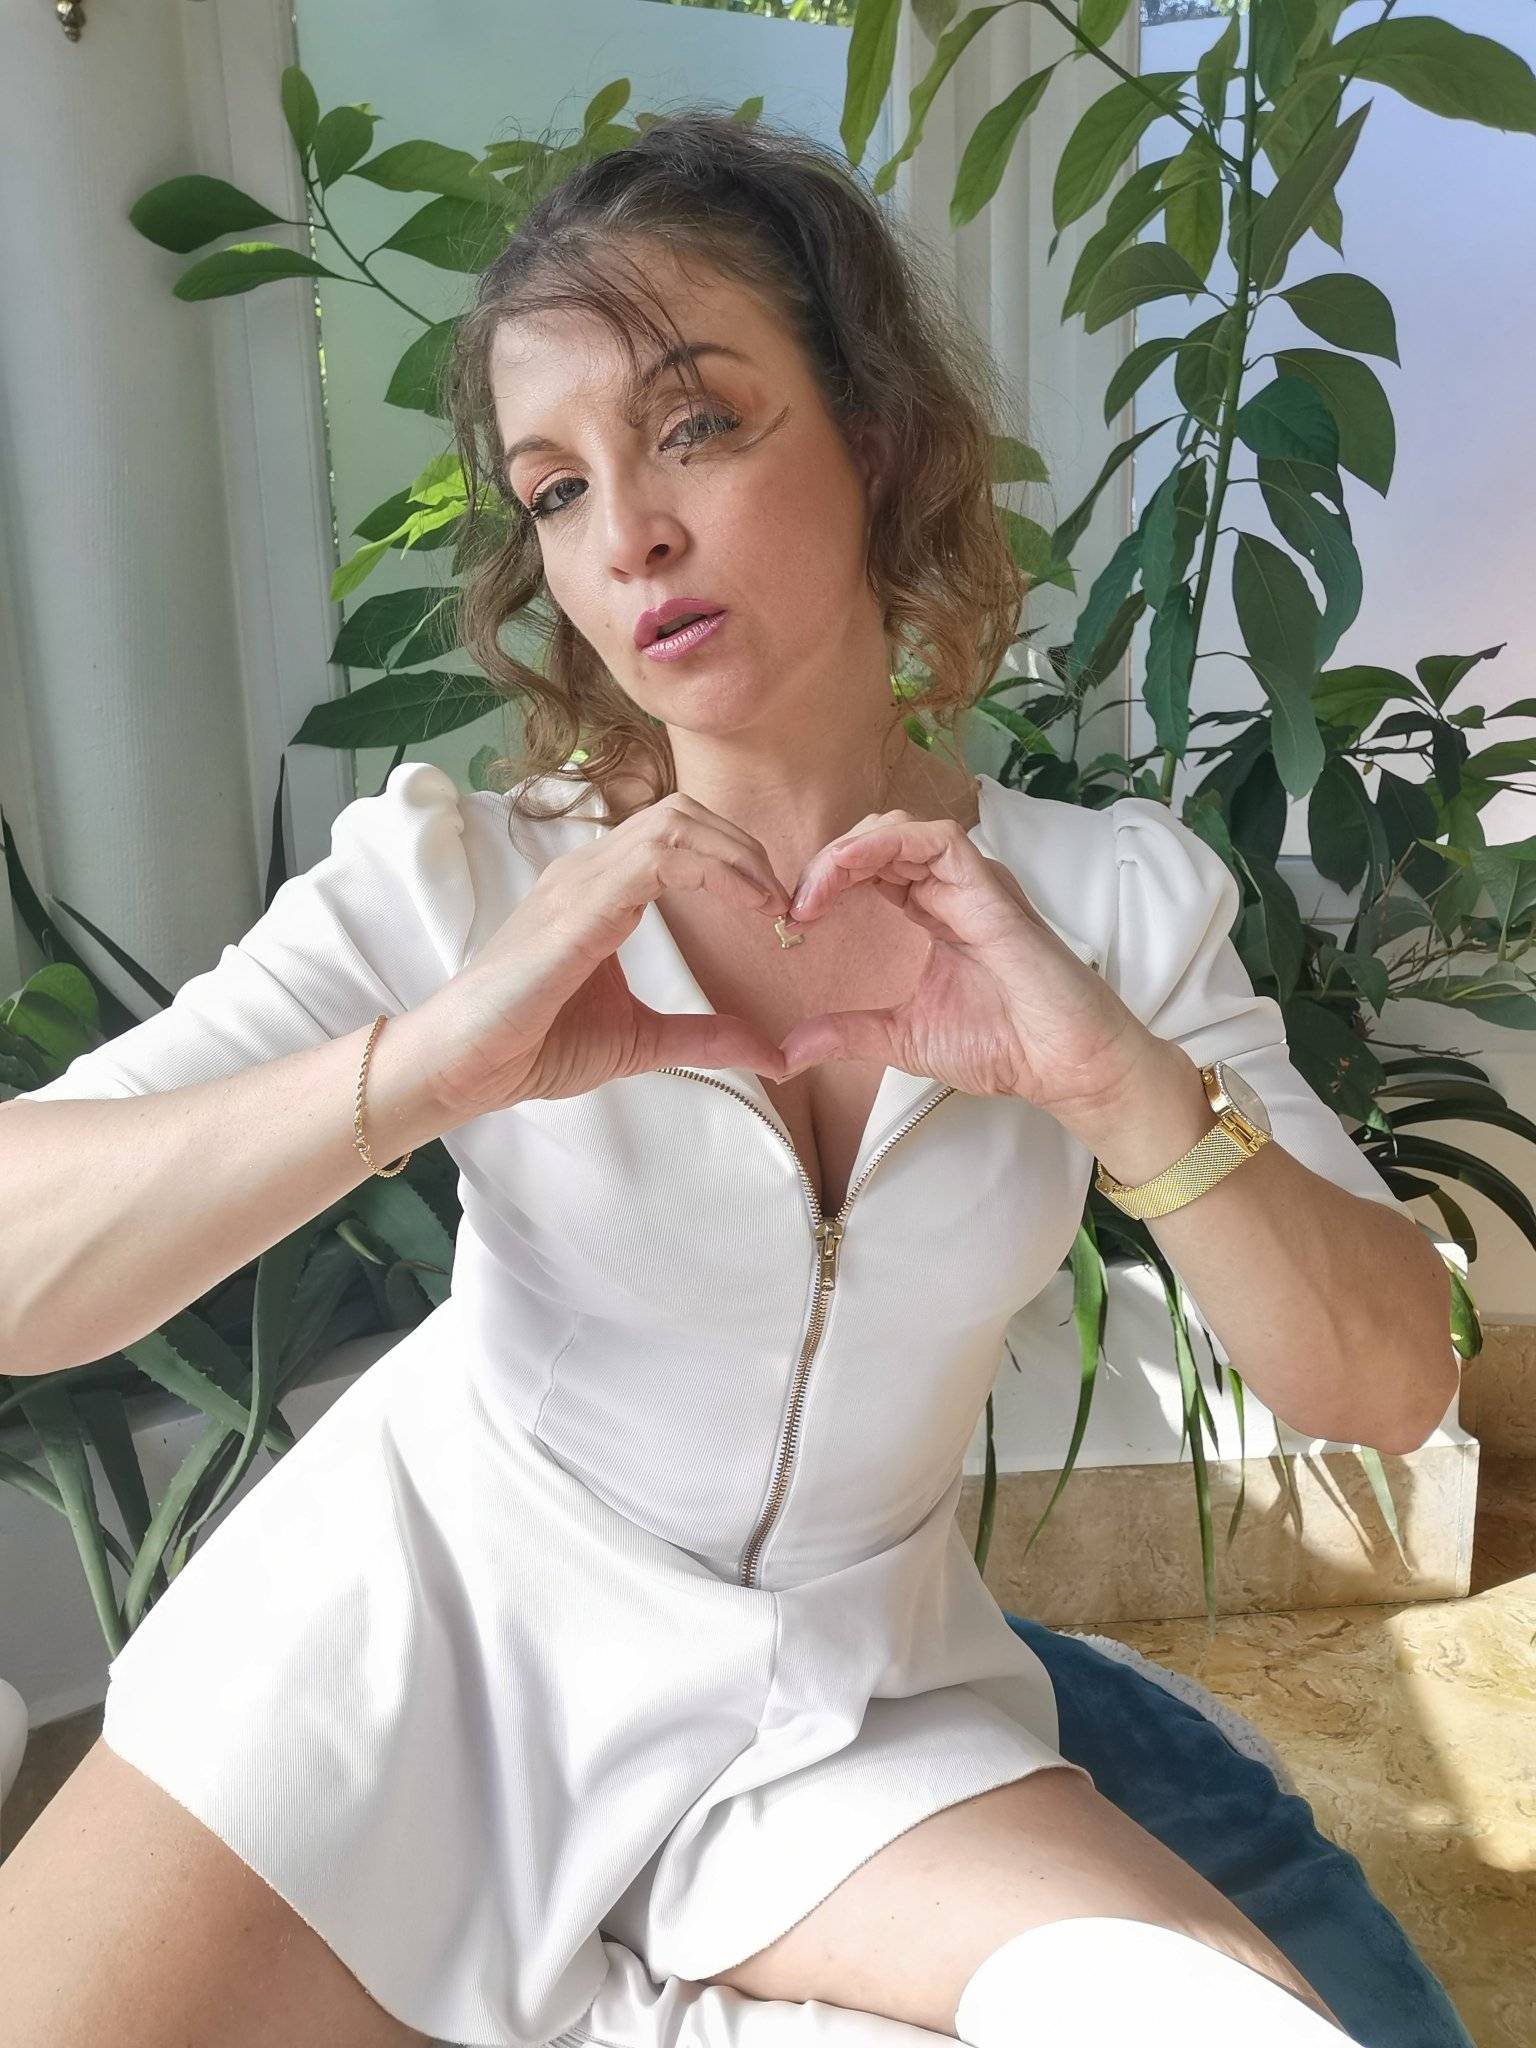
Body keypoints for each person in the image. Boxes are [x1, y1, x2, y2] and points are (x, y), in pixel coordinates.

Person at [0, 109, 1455, 2048]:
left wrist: (1123, 1089)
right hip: (416, 1653)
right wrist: (426, 1065)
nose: (628, 537)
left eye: (694, 424)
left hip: (840, 1704)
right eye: (557, 488)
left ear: (874, 437)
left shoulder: (1113, 907)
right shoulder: (459, 884)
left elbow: (1396, 1382)